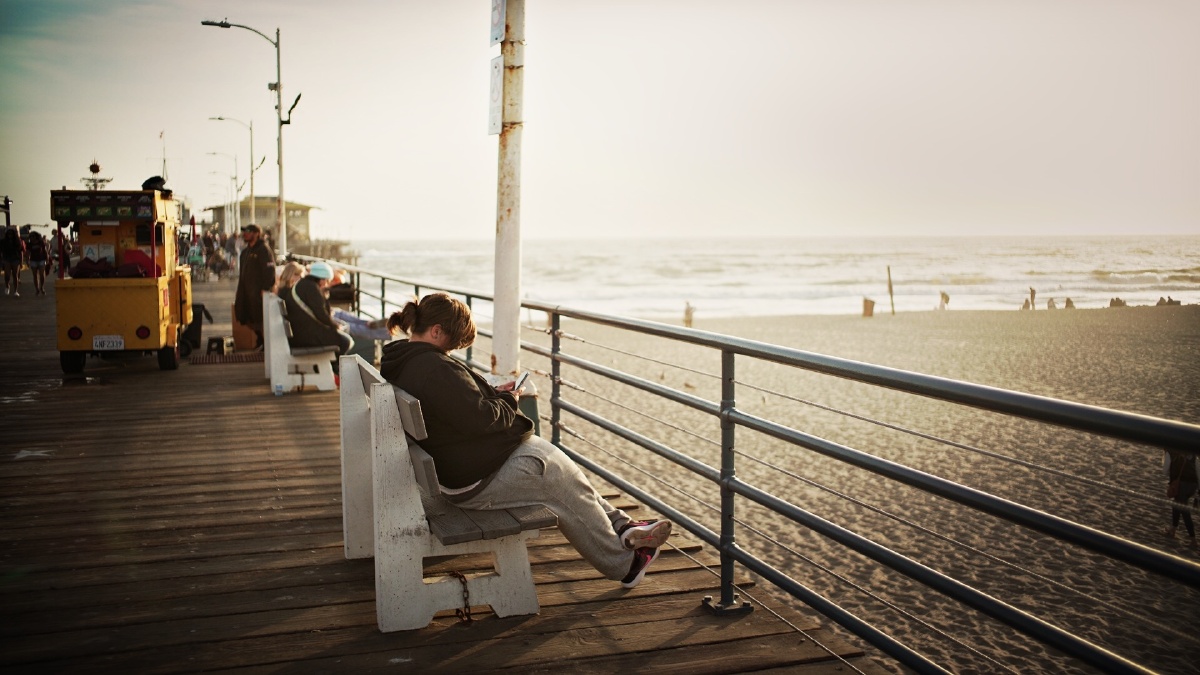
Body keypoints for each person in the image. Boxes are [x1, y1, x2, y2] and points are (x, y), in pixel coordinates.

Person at [379, 293, 673, 588]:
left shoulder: (406, 360)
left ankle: (621, 524)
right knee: (553, 474)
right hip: (471, 483)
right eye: (452, 344)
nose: (452, 352)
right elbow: (482, 419)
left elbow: (457, 407)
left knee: (558, 467)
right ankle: (625, 564)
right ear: (436, 331)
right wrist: (509, 398)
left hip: (459, 468)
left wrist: (493, 394)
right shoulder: (434, 368)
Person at [282, 261, 353, 362]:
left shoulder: (302, 284)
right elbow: (321, 314)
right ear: (322, 279)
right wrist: (335, 325)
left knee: (342, 338)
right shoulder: (312, 289)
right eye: (327, 280)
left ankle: (334, 369)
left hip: (298, 333)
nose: (327, 284)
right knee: (346, 341)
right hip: (304, 337)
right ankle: (335, 370)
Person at [233, 224, 276, 347]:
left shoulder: (263, 250)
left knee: (259, 318)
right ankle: (260, 338)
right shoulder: (246, 252)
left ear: (257, 233)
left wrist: (266, 288)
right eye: (244, 231)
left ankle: (264, 342)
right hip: (245, 291)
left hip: (258, 292)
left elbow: (270, 270)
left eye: (248, 231)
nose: (245, 234)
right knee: (244, 315)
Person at [1164, 450, 1198, 546]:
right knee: (1176, 503)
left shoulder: (1170, 451)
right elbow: (1197, 469)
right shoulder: (1192, 450)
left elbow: (1165, 471)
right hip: (1193, 485)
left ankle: (1193, 539)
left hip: (1182, 484)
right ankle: (1173, 529)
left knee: (1183, 509)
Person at [1, 227, 25, 297]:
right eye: (8, 234)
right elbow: (1, 251)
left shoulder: (18, 241)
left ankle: (15, 291)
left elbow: (21, 252)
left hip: (15, 259)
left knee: (15, 275)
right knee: (7, 275)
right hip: (7, 259)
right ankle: (7, 286)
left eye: (11, 234)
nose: (10, 235)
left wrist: (21, 262)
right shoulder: (3, 242)